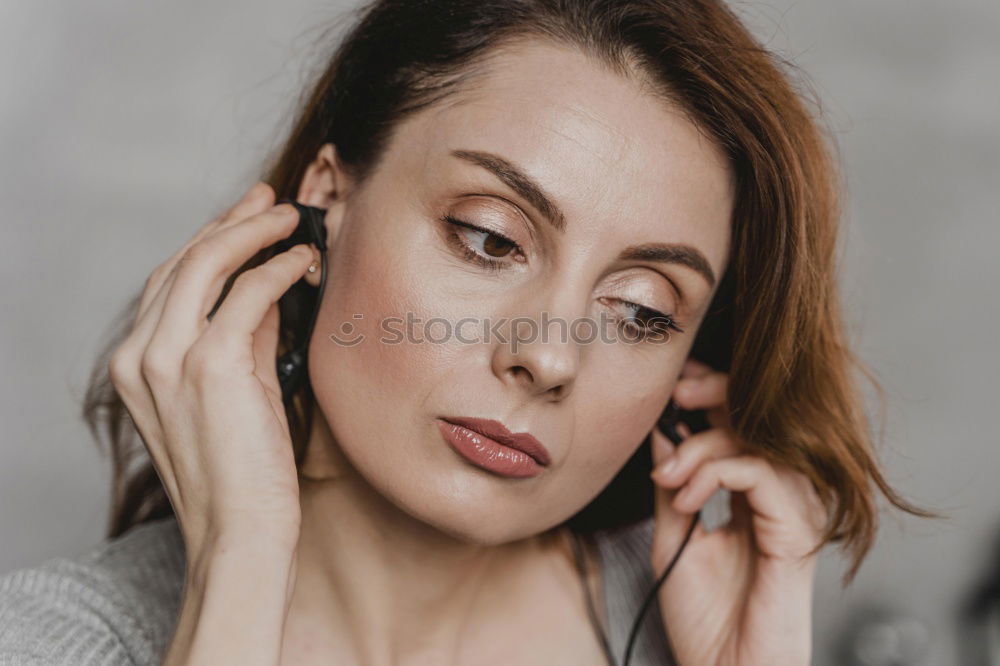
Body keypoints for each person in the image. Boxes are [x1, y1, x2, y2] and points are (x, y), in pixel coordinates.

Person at [0, 0, 939, 664]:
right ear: (325, 202)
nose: (550, 356)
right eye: (489, 238)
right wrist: (239, 572)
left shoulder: (686, 618)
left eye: (644, 311)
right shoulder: (56, 641)